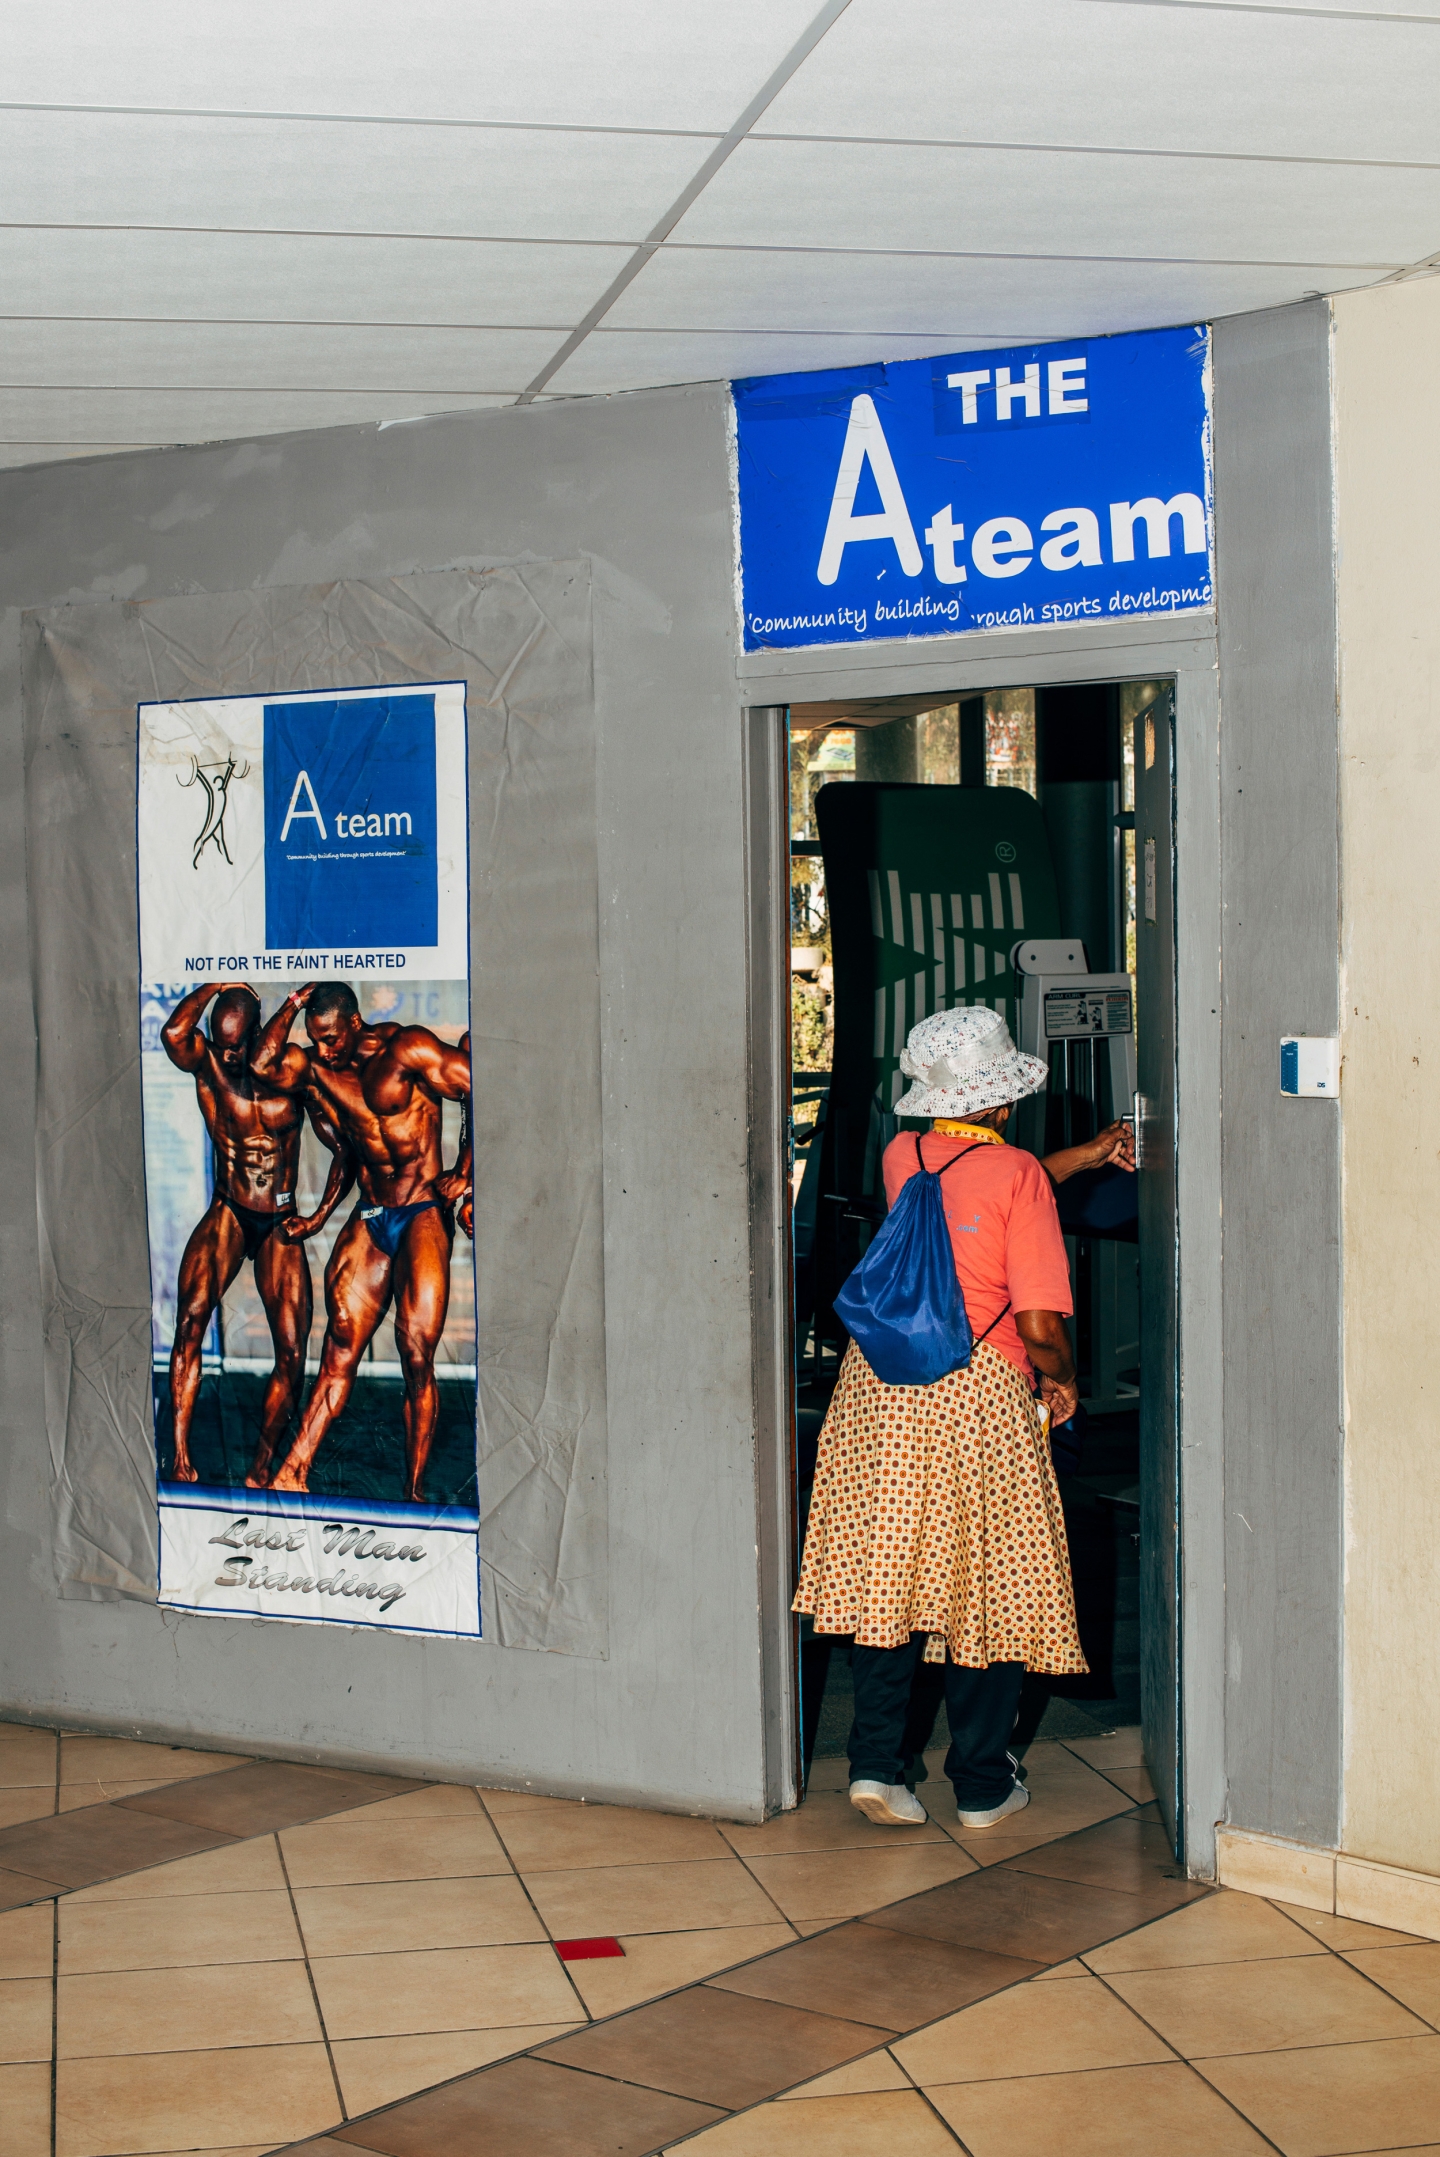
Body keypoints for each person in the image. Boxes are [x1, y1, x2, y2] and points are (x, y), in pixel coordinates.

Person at [793, 1005, 1090, 1831]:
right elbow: (1038, 1323)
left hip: (880, 1390)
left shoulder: (903, 1154)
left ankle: (878, 1768)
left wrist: (1079, 1157)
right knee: (989, 1581)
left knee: (890, 1575)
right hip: (978, 1392)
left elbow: (975, 1191)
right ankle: (983, 1782)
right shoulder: (1017, 1174)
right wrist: (1065, 1380)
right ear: (1000, 1101)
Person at [251, 982, 472, 1500]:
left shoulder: (407, 1048)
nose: (323, 1049)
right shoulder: (319, 1068)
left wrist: (465, 1171)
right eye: (316, 1039)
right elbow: (262, 1066)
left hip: (420, 1209)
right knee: (340, 1348)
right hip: (371, 1213)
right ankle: (293, 1471)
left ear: (354, 1022)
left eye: (330, 1038)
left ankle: (413, 1490)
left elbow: (483, 1085)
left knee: (415, 1356)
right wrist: (292, 1005)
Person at [159, 981, 354, 1486]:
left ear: (255, 1035)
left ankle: (263, 1467)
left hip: (277, 1222)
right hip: (228, 1210)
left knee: (292, 1350)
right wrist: (215, 989)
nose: (227, 1055)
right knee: (190, 1321)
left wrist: (318, 1217)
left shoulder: (289, 1073)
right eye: (220, 1044)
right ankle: (179, 1456)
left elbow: (343, 1150)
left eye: (236, 1046)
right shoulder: (206, 1062)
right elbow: (174, 1031)